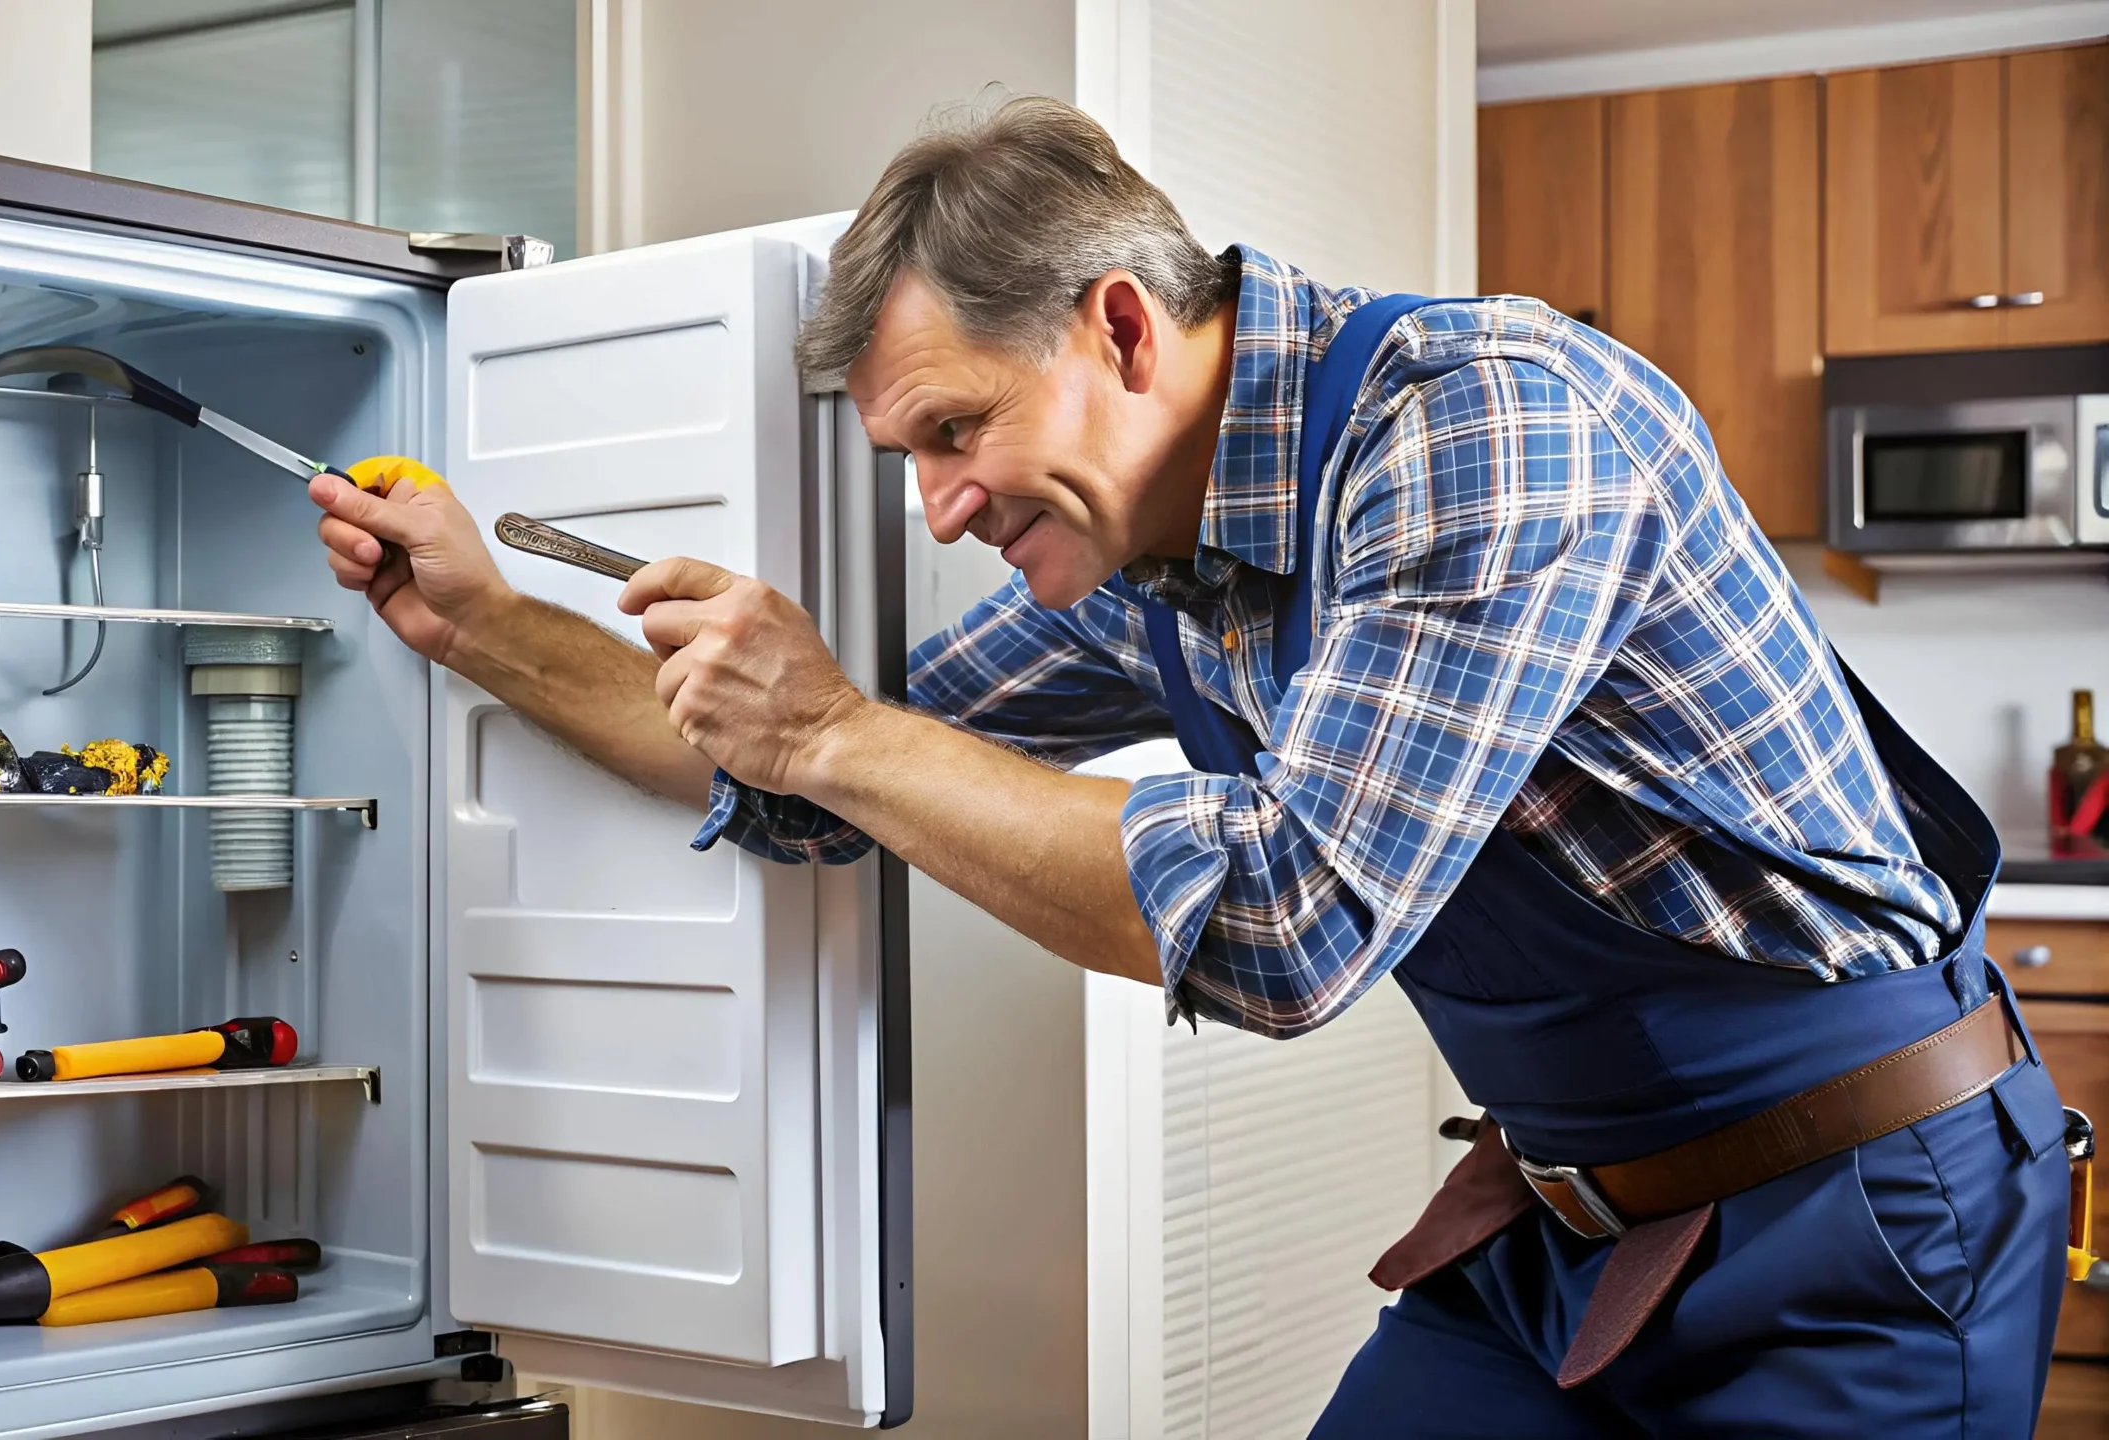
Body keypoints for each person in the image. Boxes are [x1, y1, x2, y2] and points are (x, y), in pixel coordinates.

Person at [310, 96, 2074, 1435]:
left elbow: (1290, 928)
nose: (940, 503)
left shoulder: (1486, 424)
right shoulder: (1156, 570)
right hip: (1570, 1221)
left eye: (954, 431)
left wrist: (842, 728)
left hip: (1864, 1219)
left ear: (1120, 331)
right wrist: (479, 626)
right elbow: (799, 776)